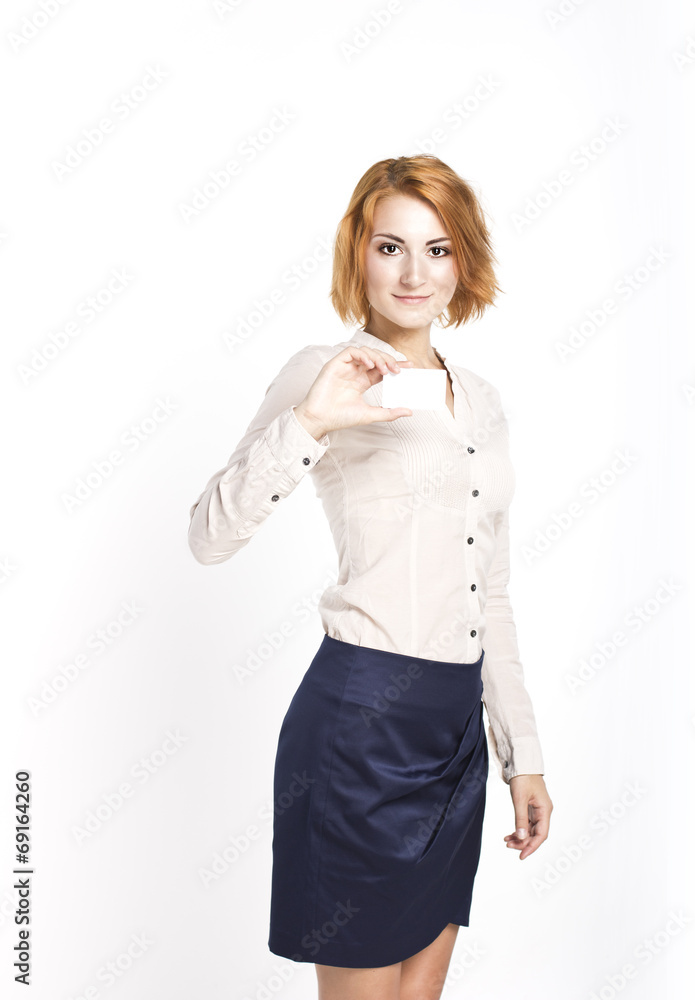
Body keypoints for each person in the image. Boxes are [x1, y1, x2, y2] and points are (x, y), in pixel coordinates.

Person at [187, 154, 553, 1000]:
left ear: (463, 260)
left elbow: (491, 594)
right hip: (361, 731)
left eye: (437, 248)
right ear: (359, 254)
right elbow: (209, 535)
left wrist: (522, 755)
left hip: (456, 735)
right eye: (391, 247)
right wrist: (313, 419)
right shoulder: (325, 372)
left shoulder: (481, 399)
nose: (414, 273)